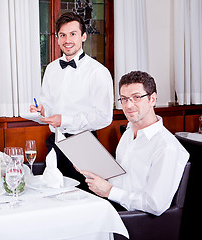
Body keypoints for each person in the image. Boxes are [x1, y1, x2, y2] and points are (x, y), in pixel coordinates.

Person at [78, 71, 189, 216]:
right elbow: (122, 179)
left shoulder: (167, 147)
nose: (129, 105)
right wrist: (90, 167)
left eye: (136, 97)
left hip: (134, 219)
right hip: (111, 206)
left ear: (152, 99)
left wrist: (110, 191)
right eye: (124, 99)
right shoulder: (129, 132)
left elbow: (155, 205)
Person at [30, 12, 113, 188]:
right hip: (55, 141)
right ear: (57, 38)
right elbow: (47, 102)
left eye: (73, 34)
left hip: (84, 143)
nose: (67, 39)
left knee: (85, 197)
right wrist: (42, 110)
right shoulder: (51, 69)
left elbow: (104, 116)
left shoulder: (98, 72)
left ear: (83, 36)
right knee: (53, 193)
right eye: (63, 35)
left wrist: (65, 120)